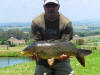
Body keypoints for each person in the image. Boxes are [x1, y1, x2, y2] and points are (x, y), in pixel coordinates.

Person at [30, 0, 75, 75]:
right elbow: (36, 43)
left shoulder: (66, 23)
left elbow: (65, 44)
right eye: (48, 6)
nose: (51, 8)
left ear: (58, 7)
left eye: (53, 5)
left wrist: (66, 55)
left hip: (61, 61)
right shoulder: (36, 22)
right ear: (44, 7)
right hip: (42, 62)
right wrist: (36, 56)